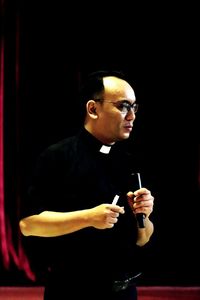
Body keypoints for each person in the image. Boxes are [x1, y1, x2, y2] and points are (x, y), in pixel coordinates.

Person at [19, 70, 154, 300]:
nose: (131, 116)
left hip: (125, 293)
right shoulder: (58, 156)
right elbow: (28, 225)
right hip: (74, 292)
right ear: (93, 109)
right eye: (123, 106)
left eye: (134, 107)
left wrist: (145, 216)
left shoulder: (128, 160)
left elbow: (143, 238)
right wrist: (89, 218)